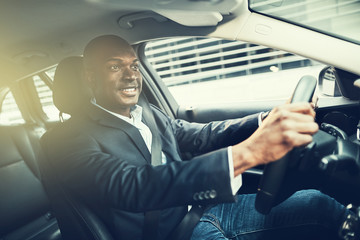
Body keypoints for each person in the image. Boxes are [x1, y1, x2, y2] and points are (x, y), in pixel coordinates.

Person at [42, 35, 354, 240]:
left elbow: (198, 135)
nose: (131, 76)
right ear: (89, 77)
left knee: (321, 205)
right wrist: (249, 153)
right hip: (172, 235)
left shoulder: (146, 111)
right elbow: (133, 185)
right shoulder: (65, 141)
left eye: (134, 66)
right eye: (114, 67)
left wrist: (264, 120)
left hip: (206, 209)